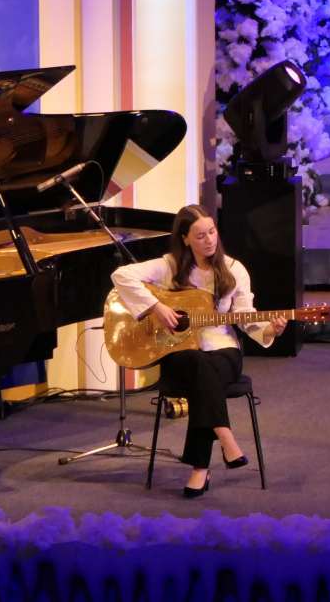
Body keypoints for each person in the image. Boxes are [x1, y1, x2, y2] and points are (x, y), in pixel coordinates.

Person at [111, 204, 286, 497]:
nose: (209, 240)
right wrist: (156, 307)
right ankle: (225, 436)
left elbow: (245, 318)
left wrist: (270, 330)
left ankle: (200, 469)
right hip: (179, 353)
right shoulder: (170, 266)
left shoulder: (234, 269)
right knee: (197, 364)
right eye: (201, 235)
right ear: (185, 239)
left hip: (223, 350)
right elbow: (121, 275)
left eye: (212, 232)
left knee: (204, 374)